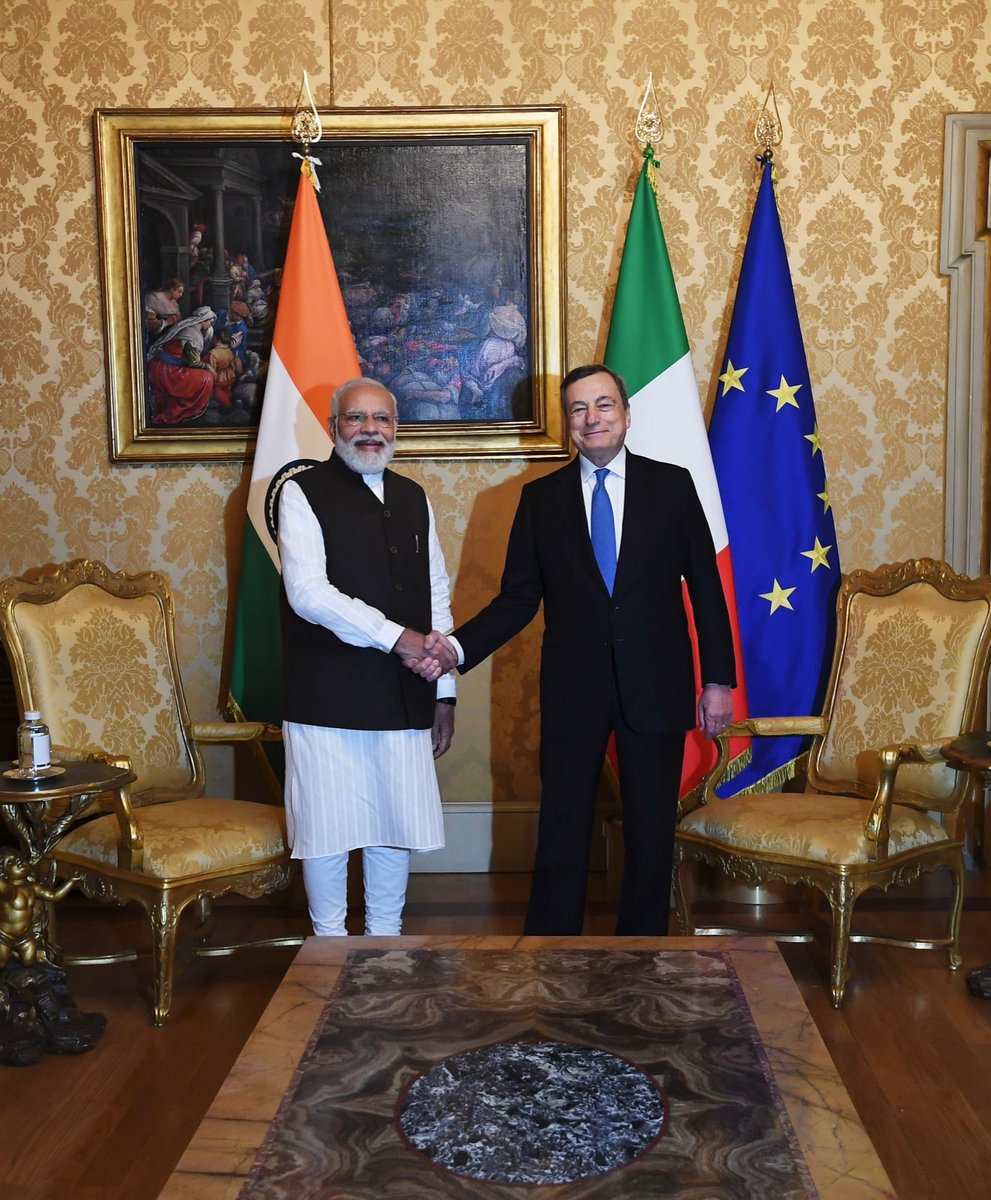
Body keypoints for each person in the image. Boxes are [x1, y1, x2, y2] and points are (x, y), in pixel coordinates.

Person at [414, 363, 736, 936]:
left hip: (656, 682)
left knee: (650, 828)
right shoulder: (541, 500)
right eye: (578, 409)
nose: (592, 418)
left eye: (603, 405)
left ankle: (642, 953)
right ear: (568, 424)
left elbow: (707, 591)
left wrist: (717, 681)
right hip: (573, 688)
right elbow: (518, 599)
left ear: (627, 415)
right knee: (563, 826)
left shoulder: (673, 486)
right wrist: (455, 650)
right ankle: (550, 951)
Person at [277, 377, 456, 937]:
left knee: (392, 824)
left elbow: (436, 592)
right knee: (327, 831)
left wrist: (445, 691)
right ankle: (328, 951)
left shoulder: (413, 496)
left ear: (396, 429)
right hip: (325, 695)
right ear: (334, 427)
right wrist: (397, 637)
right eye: (356, 418)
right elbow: (308, 593)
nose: (369, 429)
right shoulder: (301, 492)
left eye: (381, 418)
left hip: (404, 694)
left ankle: (385, 946)